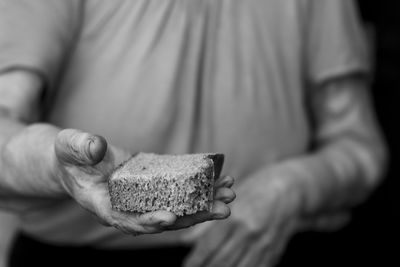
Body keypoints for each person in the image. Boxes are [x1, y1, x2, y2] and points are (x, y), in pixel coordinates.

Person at [0, 0, 386, 266]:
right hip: (75, 258)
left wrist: (291, 188)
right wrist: (60, 168)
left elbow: (361, 148)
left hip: (269, 250)